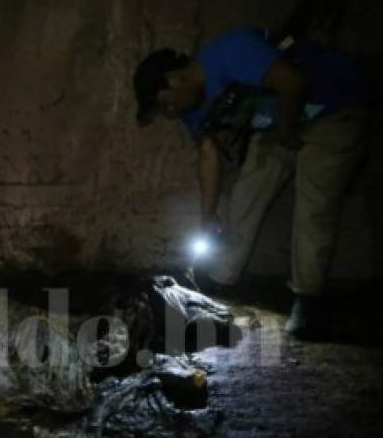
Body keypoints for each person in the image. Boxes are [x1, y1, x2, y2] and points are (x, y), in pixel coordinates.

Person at [133, 28, 368, 338]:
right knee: (246, 193)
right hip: (278, 120)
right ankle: (219, 279)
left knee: (315, 205)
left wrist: (285, 132)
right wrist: (207, 217)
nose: (168, 112)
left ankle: (307, 300)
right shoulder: (193, 107)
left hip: (332, 108)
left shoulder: (231, 51)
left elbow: (293, 82)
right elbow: (209, 156)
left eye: (165, 104)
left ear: (174, 80)